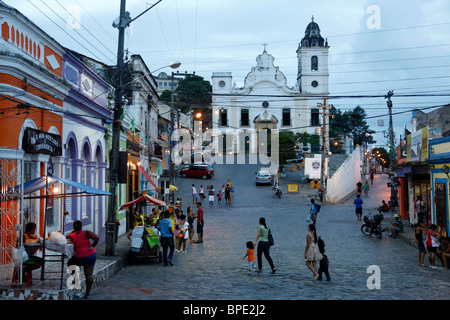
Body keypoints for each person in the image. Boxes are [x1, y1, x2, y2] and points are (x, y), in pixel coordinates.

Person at [66, 220, 99, 299]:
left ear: (74, 227)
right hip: (91, 255)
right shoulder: (86, 232)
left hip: (80, 257)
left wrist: (72, 232)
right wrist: (93, 246)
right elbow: (96, 237)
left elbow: (66, 238)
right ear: (81, 226)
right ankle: (87, 294)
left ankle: (75, 278)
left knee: (70, 263)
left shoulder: (71, 235)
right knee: (89, 274)